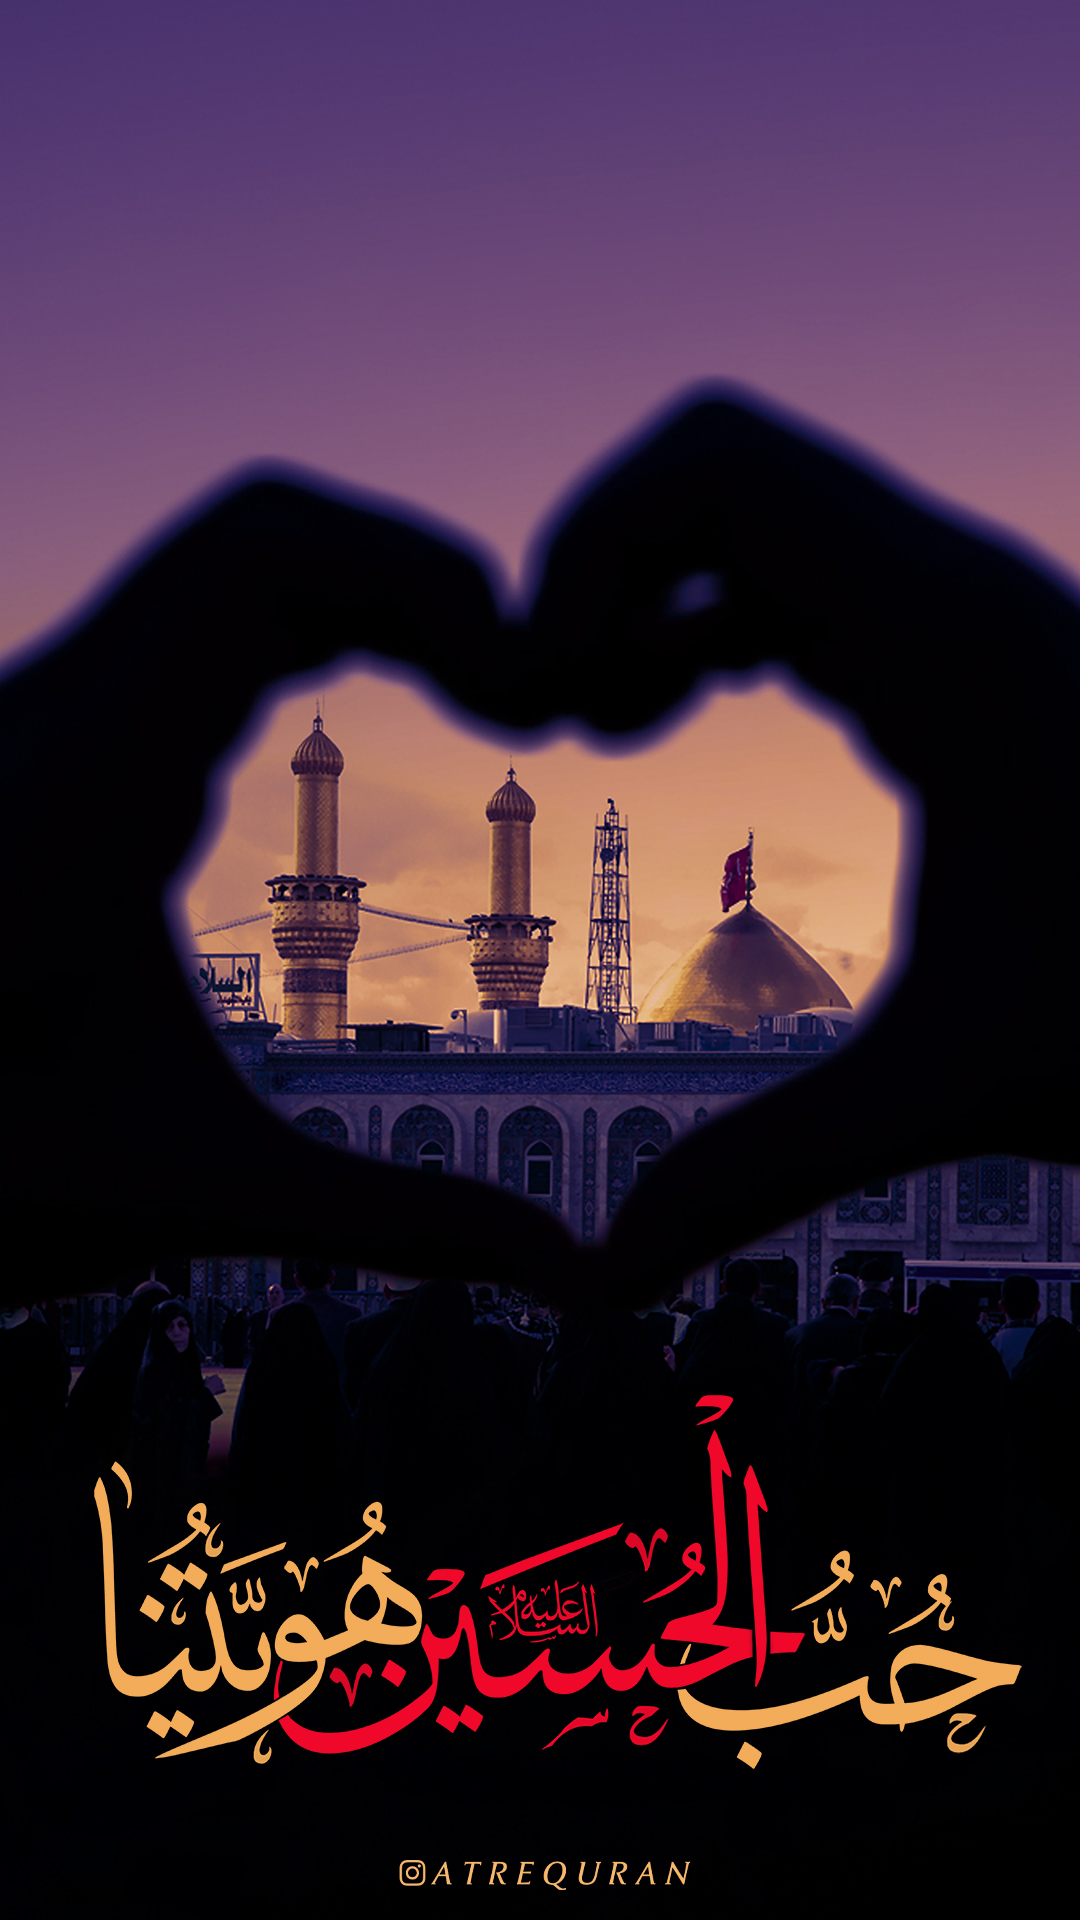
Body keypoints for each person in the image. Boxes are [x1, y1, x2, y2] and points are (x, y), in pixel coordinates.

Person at [126, 1298, 224, 1519]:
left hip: (181, 1473)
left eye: (182, 1325)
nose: (177, 1333)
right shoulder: (155, 1372)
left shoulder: (184, 1365)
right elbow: (168, 1423)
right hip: (160, 1478)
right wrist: (206, 1394)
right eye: (169, 1327)